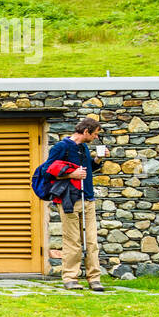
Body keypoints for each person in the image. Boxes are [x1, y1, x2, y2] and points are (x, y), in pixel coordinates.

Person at [47, 117, 107, 292]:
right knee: (72, 241)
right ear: (86, 132)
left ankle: (94, 278)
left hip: (88, 199)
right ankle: (70, 278)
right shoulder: (61, 147)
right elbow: (48, 172)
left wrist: (97, 160)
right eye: (95, 134)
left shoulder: (84, 147)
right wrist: (71, 175)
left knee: (91, 241)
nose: (96, 137)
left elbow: (87, 171)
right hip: (69, 199)